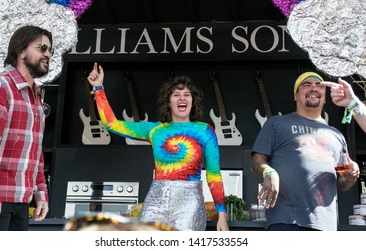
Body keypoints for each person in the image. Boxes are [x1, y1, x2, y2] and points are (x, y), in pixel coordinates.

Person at [87, 63, 229, 231]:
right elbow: (112, 124)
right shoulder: (155, 130)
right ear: (168, 102)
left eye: (187, 95)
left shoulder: (205, 131)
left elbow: (214, 175)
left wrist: (222, 214)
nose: (182, 98)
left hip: (189, 202)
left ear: (193, 101)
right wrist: (98, 88)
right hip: (156, 199)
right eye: (176, 95)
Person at [251, 71, 360, 231]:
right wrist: (269, 172)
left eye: (319, 86)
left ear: (325, 96)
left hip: (325, 225)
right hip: (285, 221)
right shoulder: (277, 123)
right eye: (306, 85)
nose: (313, 88)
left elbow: (341, 180)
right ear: (296, 96)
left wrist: (351, 175)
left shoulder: (336, 135)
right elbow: (257, 160)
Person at [0, 25, 52, 230]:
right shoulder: (0, 86)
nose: (47, 54)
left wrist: (40, 194)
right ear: (20, 51)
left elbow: (35, 152)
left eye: (50, 50)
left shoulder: (35, 98)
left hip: (21, 201)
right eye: (42, 48)